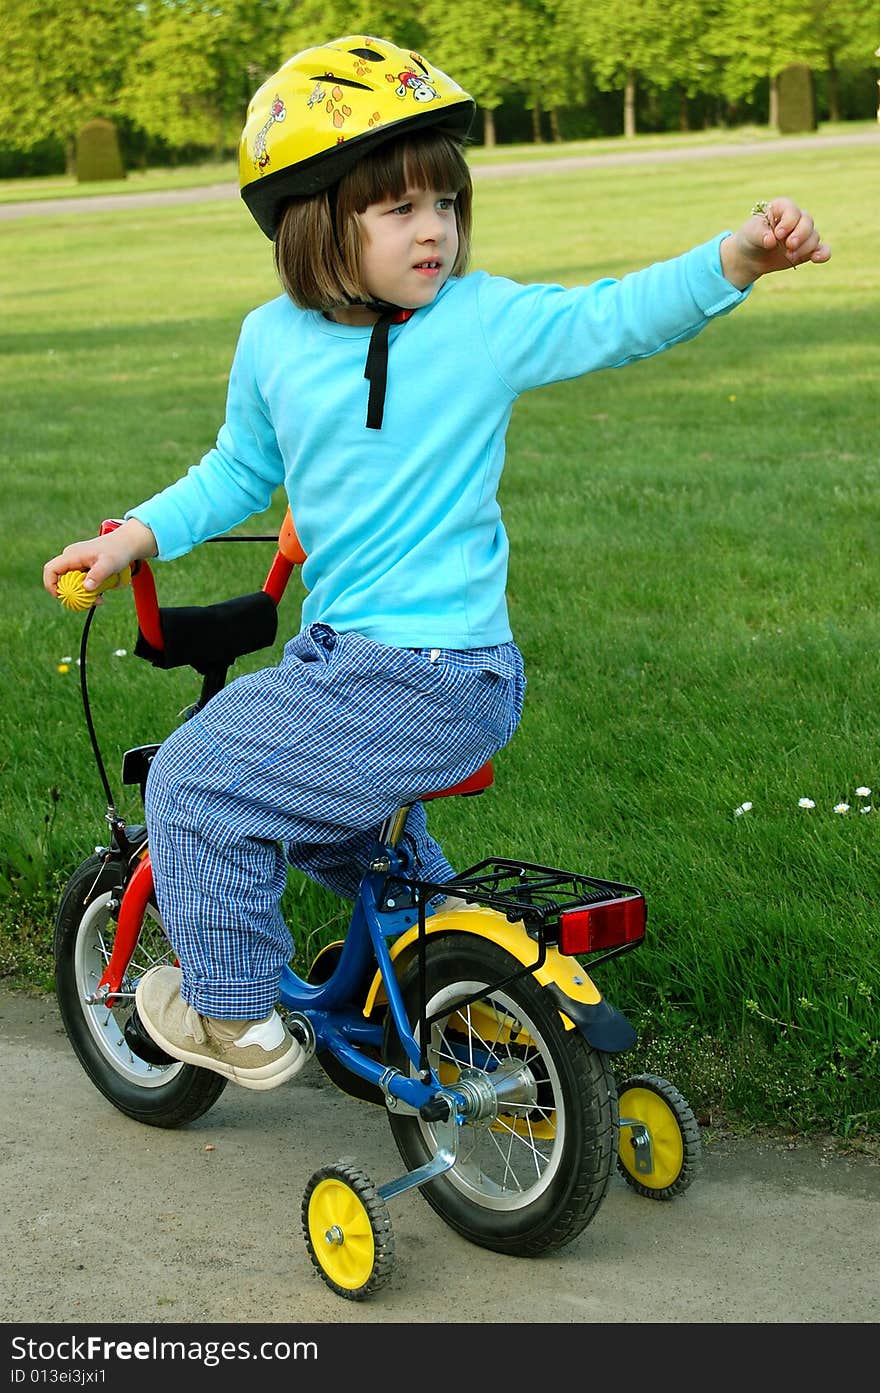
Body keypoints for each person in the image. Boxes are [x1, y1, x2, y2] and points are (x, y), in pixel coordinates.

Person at [43, 35, 831, 1091]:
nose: (434, 230)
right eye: (399, 209)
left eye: (446, 204)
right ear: (318, 221)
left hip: (432, 674)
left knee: (192, 780)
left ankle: (232, 1012)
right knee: (344, 839)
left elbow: (611, 317)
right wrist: (134, 533)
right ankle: (441, 989)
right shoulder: (272, 342)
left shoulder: (480, 323)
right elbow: (238, 471)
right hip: (352, 668)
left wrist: (732, 260)